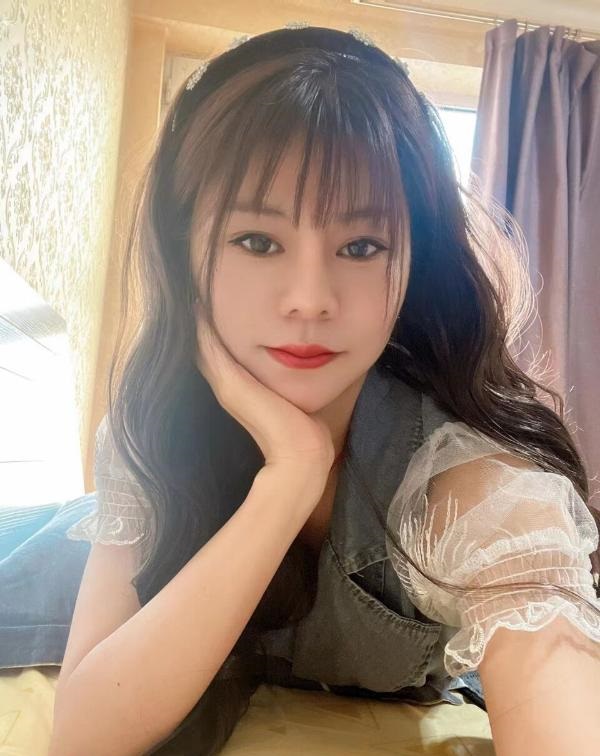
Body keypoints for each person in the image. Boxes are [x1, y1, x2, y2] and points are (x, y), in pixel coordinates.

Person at [50, 24, 600, 756]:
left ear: (413, 262)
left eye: (362, 246)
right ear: (185, 252)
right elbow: (82, 736)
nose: (310, 299)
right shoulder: (152, 429)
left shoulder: (472, 488)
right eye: (257, 241)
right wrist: (290, 478)